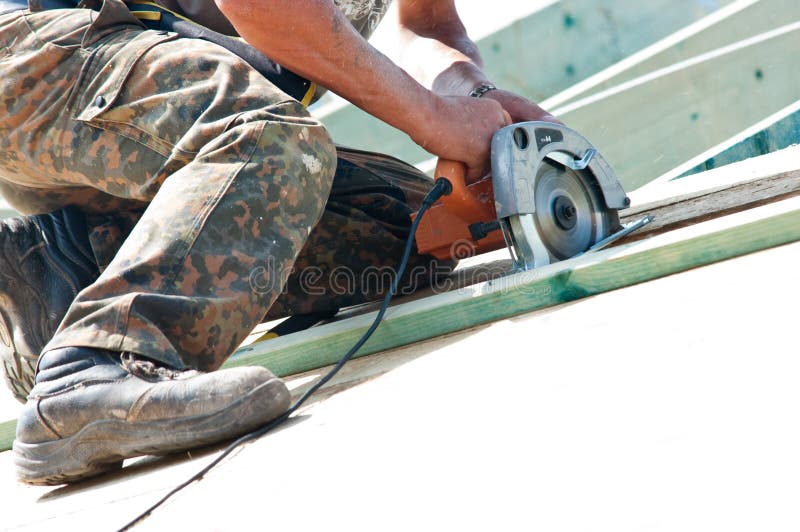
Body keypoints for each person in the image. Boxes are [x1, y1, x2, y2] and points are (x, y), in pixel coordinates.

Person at [0, 0, 555, 485]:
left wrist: (475, 97)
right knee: (269, 137)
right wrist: (435, 119)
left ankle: (63, 271)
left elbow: (427, 22)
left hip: (105, 105)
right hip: (35, 54)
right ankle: (98, 365)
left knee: (414, 227)